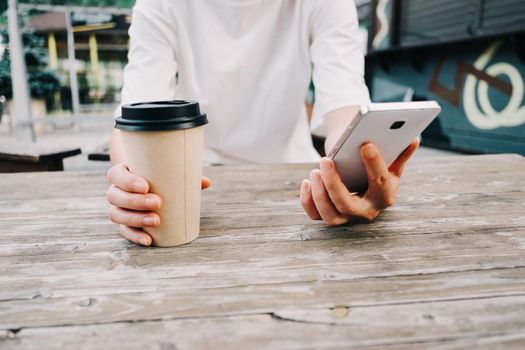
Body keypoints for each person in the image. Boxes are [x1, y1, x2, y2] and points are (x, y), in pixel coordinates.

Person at [106, 0, 420, 246]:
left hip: (297, 188)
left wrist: (359, 173)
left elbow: (345, 108)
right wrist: (135, 189)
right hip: (195, 188)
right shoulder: (160, 3)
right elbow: (132, 119)